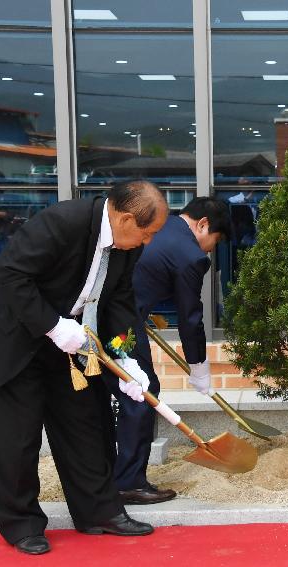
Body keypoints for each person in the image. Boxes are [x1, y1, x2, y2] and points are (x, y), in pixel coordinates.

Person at [0, 180, 169, 555]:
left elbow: (119, 301)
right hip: (10, 333)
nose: (148, 242)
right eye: (147, 233)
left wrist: (126, 358)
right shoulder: (63, 221)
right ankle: (21, 524)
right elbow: (11, 276)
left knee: (86, 422)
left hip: (66, 339)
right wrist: (54, 327)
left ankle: (100, 511)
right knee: (15, 436)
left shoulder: (126, 246)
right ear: (125, 218)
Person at [109, 196, 231, 505]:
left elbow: (146, 274)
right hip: (120, 328)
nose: (210, 250)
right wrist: (199, 367)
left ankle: (113, 474)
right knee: (142, 390)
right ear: (202, 225)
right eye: (214, 240)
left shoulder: (163, 229)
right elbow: (191, 317)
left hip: (118, 316)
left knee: (127, 389)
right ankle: (129, 483)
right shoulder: (191, 255)